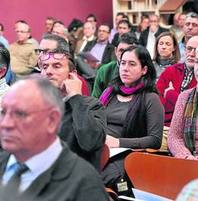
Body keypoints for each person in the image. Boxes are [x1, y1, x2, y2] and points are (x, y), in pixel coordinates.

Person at [0, 75, 109, 201]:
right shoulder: (4, 163)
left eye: (20, 114)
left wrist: (76, 98)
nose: (6, 123)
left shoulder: (84, 184)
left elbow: (91, 141)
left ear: (51, 120)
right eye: (3, 112)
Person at [100, 45, 164, 194]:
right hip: (99, 148)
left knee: (104, 177)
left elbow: (155, 140)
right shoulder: (108, 93)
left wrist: (118, 142)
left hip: (126, 154)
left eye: (132, 64)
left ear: (144, 70)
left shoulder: (150, 98)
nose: (125, 68)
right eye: (123, 63)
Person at [37, 34, 106, 171]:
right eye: (44, 67)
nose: (48, 71)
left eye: (56, 66)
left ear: (72, 74)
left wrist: (75, 97)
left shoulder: (91, 105)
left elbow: (91, 143)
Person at [156, 35, 198, 126]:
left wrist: (171, 95)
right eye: (189, 49)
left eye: (197, 50)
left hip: (190, 128)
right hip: (164, 125)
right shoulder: (170, 71)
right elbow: (156, 101)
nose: (191, 53)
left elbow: (196, 112)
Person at [92, 32, 138, 98]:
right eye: (121, 50)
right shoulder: (104, 70)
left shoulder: (140, 71)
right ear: (116, 51)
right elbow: (95, 99)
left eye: (128, 51)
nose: (124, 54)